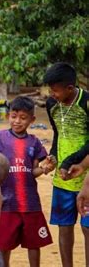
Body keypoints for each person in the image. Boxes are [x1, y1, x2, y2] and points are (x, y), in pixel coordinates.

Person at [0, 96, 55, 266]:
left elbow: (32, 171)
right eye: (14, 116)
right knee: (4, 244)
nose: (17, 121)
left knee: (34, 243)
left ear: (32, 120)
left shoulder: (34, 142)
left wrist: (44, 169)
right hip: (6, 203)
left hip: (30, 203)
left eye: (23, 117)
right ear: (8, 116)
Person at [44, 62, 89, 266]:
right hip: (62, 179)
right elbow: (57, 133)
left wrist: (73, 160)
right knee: (64, 227)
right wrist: (54, 156)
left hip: (86, 178)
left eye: (56, 90)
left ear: (70, 88)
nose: (52, 94)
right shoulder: (52, 104)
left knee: (87, 228)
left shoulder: (86, 102)